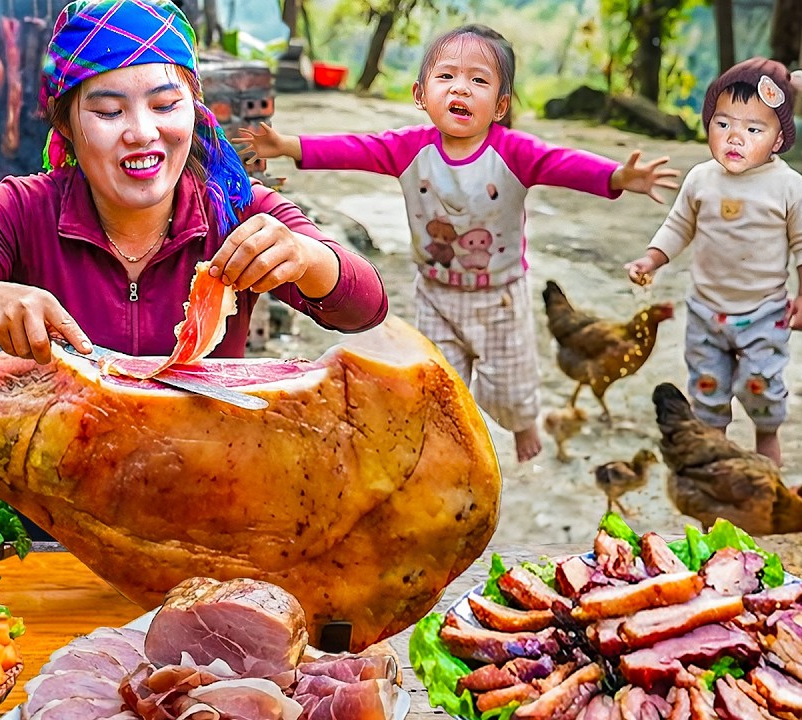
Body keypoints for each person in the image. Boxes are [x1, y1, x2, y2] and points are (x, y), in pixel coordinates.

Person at [239, 25, 678, 462]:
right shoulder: (408, 148)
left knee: (509, 385)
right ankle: (445, 444)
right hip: (435, 294)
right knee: (437, 381)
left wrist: (617, 176)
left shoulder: (513, 152)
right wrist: (287, 145)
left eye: (479, 80)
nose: (461, 89)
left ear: (500, 105)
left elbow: (562, 163)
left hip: (500, 298)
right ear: (420, 93)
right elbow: (355, 147)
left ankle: (523, 423)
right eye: (446, 76)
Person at [0, 0, 387, 365]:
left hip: (203, 479)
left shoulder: (239, 210)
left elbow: (366, 308)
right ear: (66, 126)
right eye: (110, 111)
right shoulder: (20, 211)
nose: (142, 133)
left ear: (195, 112)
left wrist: (310, 259)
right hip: (56, 489)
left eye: (165, 106)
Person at [624, 57, 802, 464]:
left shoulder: (790, 187)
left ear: (780, 138)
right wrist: (651, 258)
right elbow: (679, 226)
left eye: (753, 129)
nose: (735, 137)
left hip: (764, 313)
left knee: (761, 384)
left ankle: (767, 437)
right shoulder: (701, 179)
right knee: (707, 387)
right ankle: (715, 445)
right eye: (723, 123)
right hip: (706, 313)